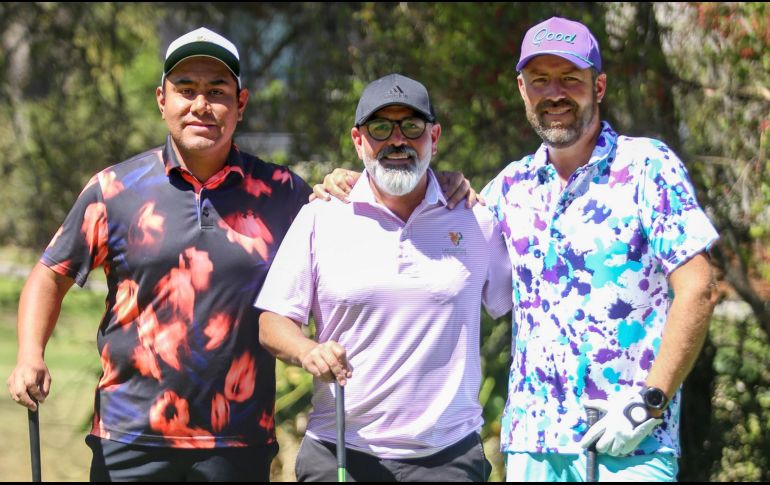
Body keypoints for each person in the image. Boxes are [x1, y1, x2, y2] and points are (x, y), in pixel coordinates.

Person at [314, 17, 720, 482]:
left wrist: (652, 400)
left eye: (570, 79)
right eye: (540, 80)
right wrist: (353, 183)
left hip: (628, 442)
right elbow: (434, 237)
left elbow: (699, 287)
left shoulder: (647, 165)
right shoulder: (510, 186)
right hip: (533, 445)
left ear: (599, 86)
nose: (555, 94)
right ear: (522, 89)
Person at [5, 27, 313, 481]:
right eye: (185, 90)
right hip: (129, 437)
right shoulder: (114, 190)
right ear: (161, 99)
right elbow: (51, 274)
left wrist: (435, 188)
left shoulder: (284, 194)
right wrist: (30, 354)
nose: (201, 105)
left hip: (238, 441)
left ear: (241, 104)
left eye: (217, 91)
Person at [255, 73, 513, 482]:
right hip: (341, 450)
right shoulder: (322, 216)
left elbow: (527, 307)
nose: (397, 140)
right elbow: (272, 322)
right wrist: (307, 351)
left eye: (411, 127)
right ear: (359, 141)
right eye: (380, 128)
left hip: (448, 457)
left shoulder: (475, 218)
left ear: (434, 137)